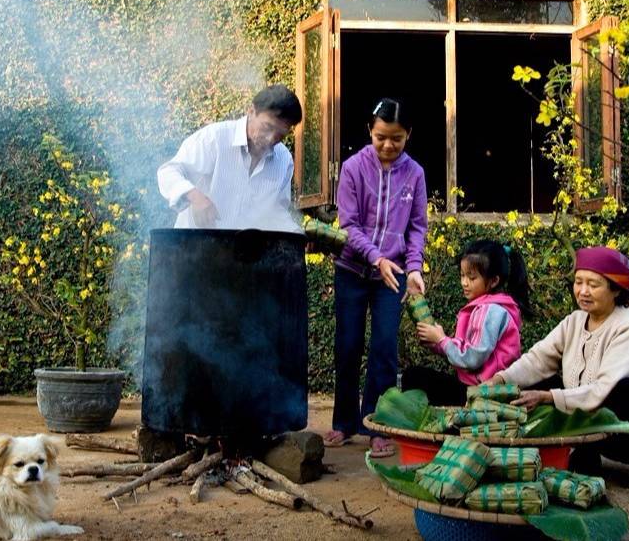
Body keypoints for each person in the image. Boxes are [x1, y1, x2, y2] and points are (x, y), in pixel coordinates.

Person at [486, 246, 629, 488]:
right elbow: (538, 359)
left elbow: (603, 389)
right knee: (538, 382)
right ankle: (584, 450)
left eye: (593, 284)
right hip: (592, 420)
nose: (583, 291)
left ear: (615, 289)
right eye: (579, 282)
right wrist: (500, 379)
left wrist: (549, 397)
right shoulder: (574, 321)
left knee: (625, 389)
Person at [324, 97, 428, 458]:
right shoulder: (353, 168)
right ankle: (343, 423)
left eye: (396, 138)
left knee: (384, 349)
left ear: (408, 135)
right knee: (348, 346)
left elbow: (417, 228)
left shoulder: (415, 174)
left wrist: (413, 268)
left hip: (393, 276)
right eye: (381, 136)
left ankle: (375, 426)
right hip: (352, 269)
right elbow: (349, 224)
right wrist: (375, 257)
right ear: (370, 129)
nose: (388, 145)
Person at [156, 84, 303, 232]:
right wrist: (194, 196)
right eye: (267, 127)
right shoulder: (215, 138)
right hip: (193, 247)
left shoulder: (284, 160)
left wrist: (297, 234)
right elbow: (168, 172)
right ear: (251, 111)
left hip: (242, 253)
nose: (271, 138)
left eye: (280, 134)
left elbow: (276, 212)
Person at [402, 240, 528, 406]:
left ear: (494, 281)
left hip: (483, 393)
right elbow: (465, 350)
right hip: (472, 388)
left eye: (472, 277)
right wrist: (437, 342)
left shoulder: (491, 311)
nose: (464, 282)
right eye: (462, 275)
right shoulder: (486, 306)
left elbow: (472, 358)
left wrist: (442, 340)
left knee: (414, 376)